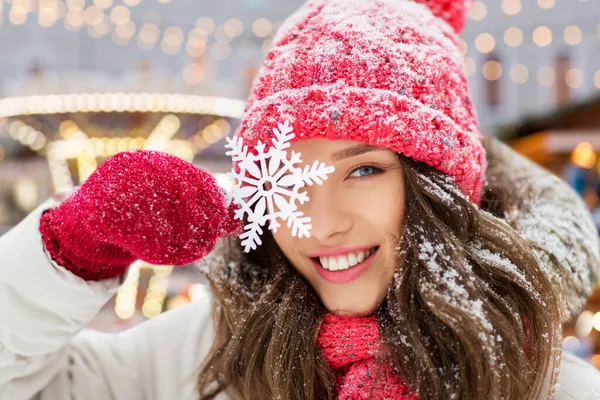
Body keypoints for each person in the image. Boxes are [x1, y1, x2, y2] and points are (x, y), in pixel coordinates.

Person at [2, 0, 600, 399]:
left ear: (440, 186)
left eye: (363, 169)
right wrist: (72, 249)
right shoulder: (207, 357)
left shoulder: (543, 385)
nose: (321, 223)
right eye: (290, 175)